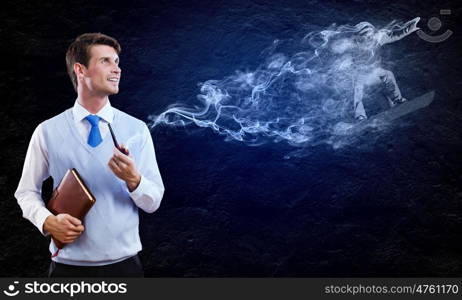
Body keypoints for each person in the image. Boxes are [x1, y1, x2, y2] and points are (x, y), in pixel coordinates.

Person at [14, 33, 165, 277]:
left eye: (117, 61)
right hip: (67, 269)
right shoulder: (47, 131)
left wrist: (134, 180)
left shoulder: (136, 129)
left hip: (125, 269)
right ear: (80, 70)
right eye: (106, 61)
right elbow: (26, 192)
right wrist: (46, 221)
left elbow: (153, 202)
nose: (117, 69)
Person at [338, 17, 420, 121]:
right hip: (360, 74)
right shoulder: (353, 44)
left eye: (370, 36)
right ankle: (360, 116)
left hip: (374, 72)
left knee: (388, 75)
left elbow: (395, 34)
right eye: (365, 38)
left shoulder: (378, 38)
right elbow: (340, 49)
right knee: (357, 90)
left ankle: (398, 100)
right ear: (359, 38)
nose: (369, 40)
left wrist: (410, 27)